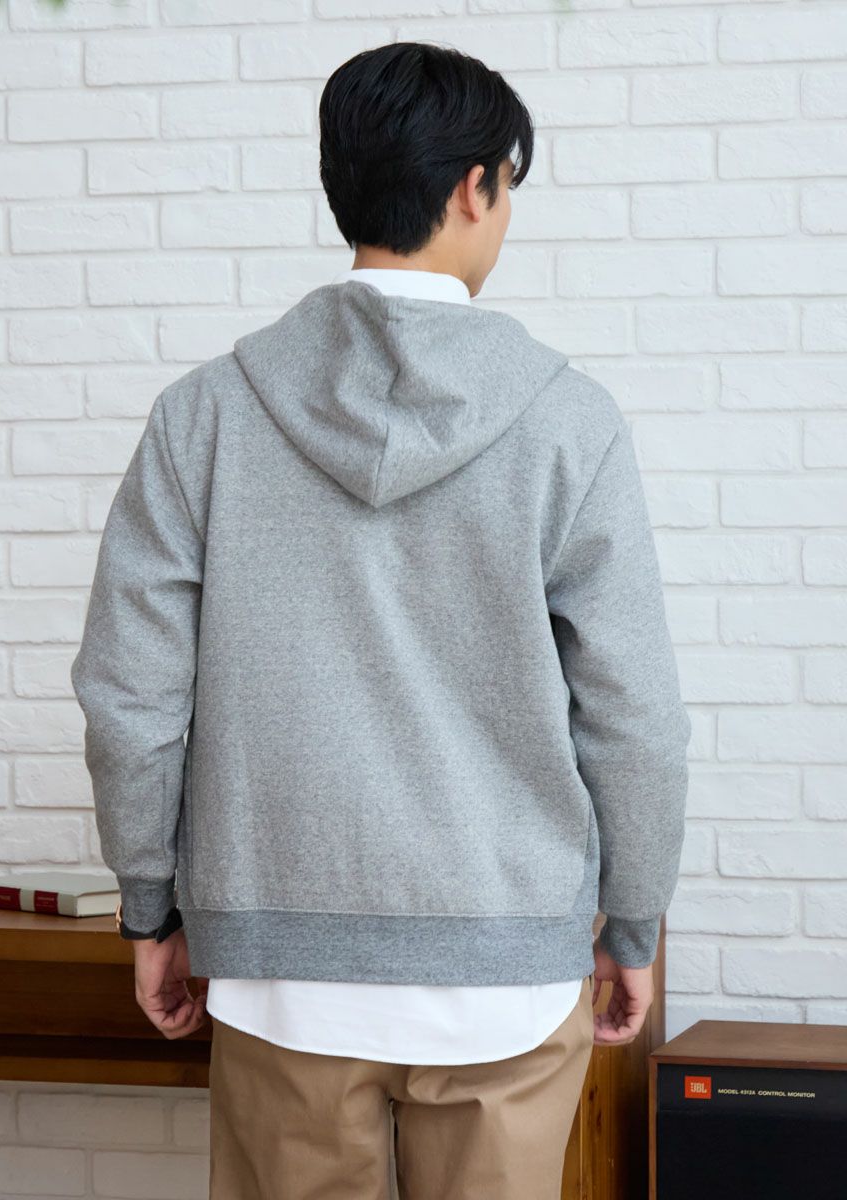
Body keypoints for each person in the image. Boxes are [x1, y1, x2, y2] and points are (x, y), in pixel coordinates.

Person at [70, 40, 691, 1200]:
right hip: (505, 973)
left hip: (279, 978)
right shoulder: (570, 423)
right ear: (473, 188)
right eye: (510, 185)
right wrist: (635, 923)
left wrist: (148, 908)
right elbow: (636, 712)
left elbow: (131, 701)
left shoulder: (205, 416)